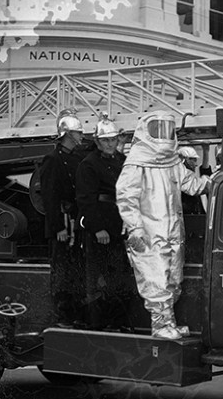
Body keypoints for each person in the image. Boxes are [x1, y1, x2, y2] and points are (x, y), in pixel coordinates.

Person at [116, 111, 211, 340]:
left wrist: (213, 182)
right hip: (149, 234)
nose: (163, 135)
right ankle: (159, 326)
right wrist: (135, 228)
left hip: (172, 232)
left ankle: (169, 322)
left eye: (166, 129)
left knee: (173, 279)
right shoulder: (136, 163)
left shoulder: (173, 163)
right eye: (158, 129)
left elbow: (191, 184)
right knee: (155, 278)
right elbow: (126, 197)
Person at [75, 116, 136, 331]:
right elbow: (86, 199)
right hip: (100, 228)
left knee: (120, 278)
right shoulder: (89, 164)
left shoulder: (122, 160)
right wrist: (97, 228)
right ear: (98, 141)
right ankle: (99, 324)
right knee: (98, 280)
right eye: (105, 140)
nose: (110, 144)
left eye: (112, 139)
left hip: (120, 225)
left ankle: (119, 322)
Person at [39, 110, 88, 327]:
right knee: (61, 270)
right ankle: (62, 313)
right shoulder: (52, 159)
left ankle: (76, 311)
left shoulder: (76, 157)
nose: (80, 137)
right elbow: (50, 196)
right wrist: (58, 226)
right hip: (61, 223)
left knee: (75, 268)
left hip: (75, 222)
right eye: (78, 133)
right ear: (67, 134)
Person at [179, 146, 211, 214]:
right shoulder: (182, 175)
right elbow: (198, 187)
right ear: (185, 160)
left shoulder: (187, 176)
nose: (195, 164)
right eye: (193, 160)